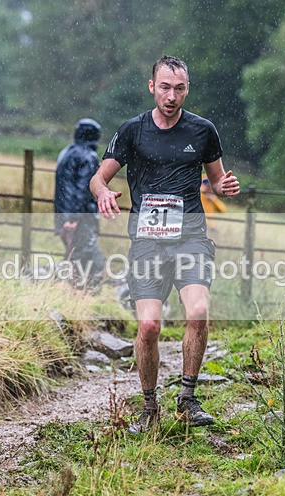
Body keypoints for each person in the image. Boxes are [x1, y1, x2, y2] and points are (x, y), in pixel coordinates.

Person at [89, 55, 240, 433]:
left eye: (180, 88)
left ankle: (187, 400)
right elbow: (98, 177)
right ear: (152, 86)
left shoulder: (203, 130)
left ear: (187, 89)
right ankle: (149, 407)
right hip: (147, 243)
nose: (172, 96)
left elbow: (217, 179)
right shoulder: (132, 130)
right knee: (150, 326)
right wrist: (103, 192)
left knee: (198, 310)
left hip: (190, 237)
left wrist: (225, 186)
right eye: (165, 87)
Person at [54, 118, 105, 289]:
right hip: (81, 217)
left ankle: (73, 292)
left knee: (76, 255)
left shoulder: (66, 153)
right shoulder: (88, 156)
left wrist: (66, 217)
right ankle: (84, 296)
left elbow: (65, 189)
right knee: (90, 259)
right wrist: (74, 217)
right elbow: (83, 190)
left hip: (63, 215)